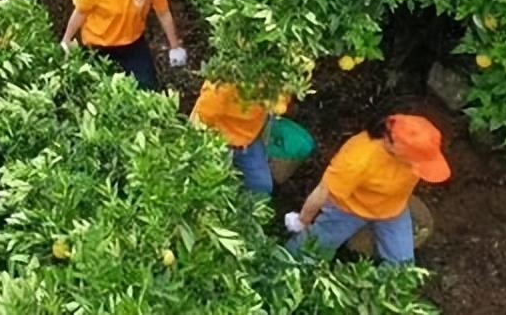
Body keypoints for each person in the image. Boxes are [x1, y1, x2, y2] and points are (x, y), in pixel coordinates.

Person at [289, 114, 450, 265]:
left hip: (393, 209)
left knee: (402, 270)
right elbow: (322, 192)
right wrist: (302, 221)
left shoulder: (415, 141)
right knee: (305, 251)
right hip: (349, 209)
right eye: (416, 163)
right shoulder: (358, 159)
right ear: (392, 146)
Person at [192, 81, 290, 195]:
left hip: (248, 141)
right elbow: (204, 115)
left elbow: (280, 105)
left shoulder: (273, 78)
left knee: (261, 187)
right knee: (211, 189)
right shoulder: (223, 86)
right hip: (216, 139)